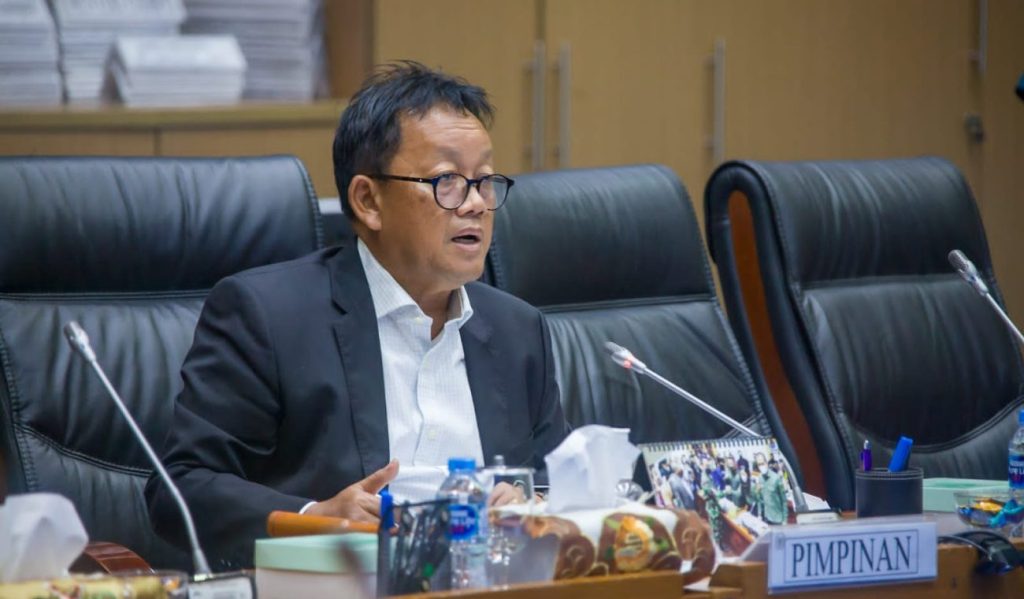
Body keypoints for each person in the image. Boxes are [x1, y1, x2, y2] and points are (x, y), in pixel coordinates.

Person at [146, 62, 569, 569]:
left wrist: (533, 504)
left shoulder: (518, 331)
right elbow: (181, 487)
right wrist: (313, 518)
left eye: (483, 181)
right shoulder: (268, 317)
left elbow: (557, 482)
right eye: (448, 181)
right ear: (368, 200)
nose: (476, 204)